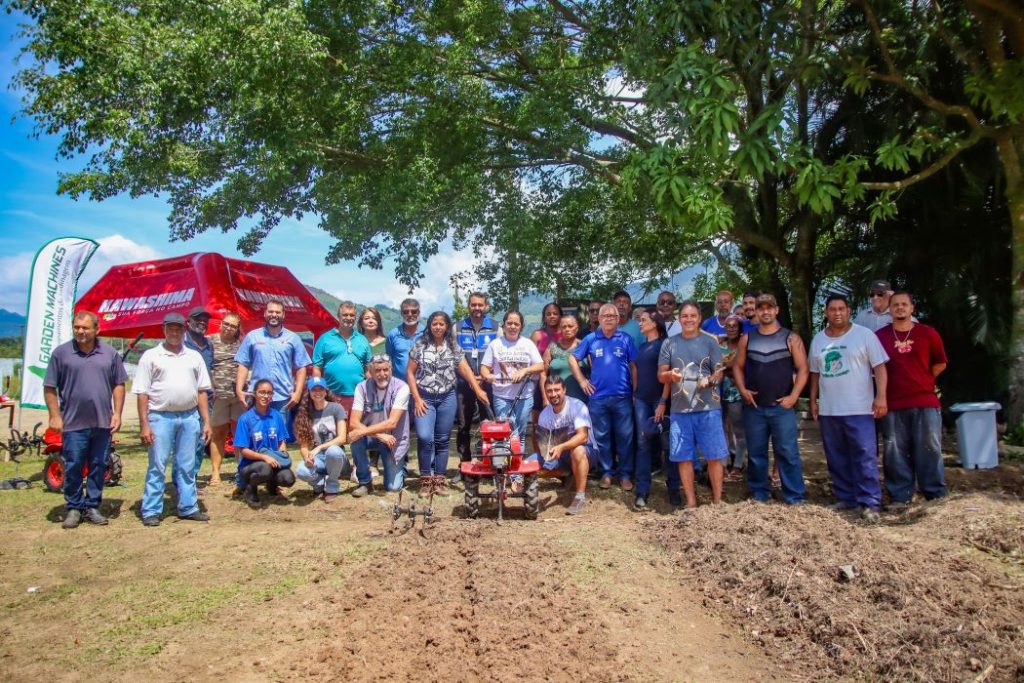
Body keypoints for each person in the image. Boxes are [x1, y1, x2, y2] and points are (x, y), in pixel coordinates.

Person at [809, 294, 889, 522]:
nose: (837, 313)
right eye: (832, 309)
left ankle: (870, 502)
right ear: (826, 313)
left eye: (841, 309)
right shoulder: (819, 340)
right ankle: (846, 498)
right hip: (830, 410)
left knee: (865, 455)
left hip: (860, 408)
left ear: (848, 310)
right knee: (836, 456)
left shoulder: (864, 335)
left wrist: (881, 397)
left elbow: (880, 368)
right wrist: (814, 400)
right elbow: (815, 374)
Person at [44, 311, 127, 528]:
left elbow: (119, 384)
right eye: (77, 327)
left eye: (85, 328)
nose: (80, 331)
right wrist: (54, 416)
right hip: (73, 423)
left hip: (102, 422)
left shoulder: (110, 354)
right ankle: (73, 507)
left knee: (98, 465)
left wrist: (117, 413)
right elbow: (50, 386)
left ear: (96, 330)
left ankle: (92, 506)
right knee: (73, 466)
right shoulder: (61, 354)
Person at [135, 312, 212, 526]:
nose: (175, 332)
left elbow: (203, 391)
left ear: (184, 330)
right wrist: (145, 425)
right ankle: (151, 510)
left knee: (187, 465)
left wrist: (206, 421)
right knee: (157, 465)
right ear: (164, 329)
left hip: (189, 416)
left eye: (178, 329)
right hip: (160, 417)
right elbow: (142, 393)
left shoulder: (194, 356)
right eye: (171, 328)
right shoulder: (151, 356)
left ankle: (188, 507)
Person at [732, 294, 809, 505]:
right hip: (754, 407)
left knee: (787, 452)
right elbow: (737, 367)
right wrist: (742, 389)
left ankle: (795, 496)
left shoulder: (791, 338)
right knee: (756, 454)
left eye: (769, 308)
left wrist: (794, 397)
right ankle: (760, 494)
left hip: (781, 407)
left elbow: (803, 369)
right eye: (761, 308)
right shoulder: (747, 338)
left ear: (776, 310)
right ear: (755, 311)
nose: (765, 311)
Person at [876, 291, 948, 509]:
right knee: (894, 451)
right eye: (895, 305)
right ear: (889, 309)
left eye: (904, 304)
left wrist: (922, 380)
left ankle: (935, 496)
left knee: (929, 448)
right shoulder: (880, 337)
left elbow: (940, 363)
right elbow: (876, 368)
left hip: (925, 402)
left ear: (912, 308)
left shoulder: (928, 333)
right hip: (893, 403)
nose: (899, 308)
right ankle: (900, 497)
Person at [407, 311, 490, 496]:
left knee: (443, 440)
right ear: (429, 325)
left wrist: (477, 390)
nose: (438, 327)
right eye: (434, 323)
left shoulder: (453, 346)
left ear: (446, 326)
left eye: (441, 324)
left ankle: (439, 480)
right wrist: (417, 398)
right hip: (425, 398)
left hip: (447, 397)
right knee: (424, 436)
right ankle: (425, 480)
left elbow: (465, 370)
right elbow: (410, 373)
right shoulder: (420, 345)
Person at [658, 301, 728, 508]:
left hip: (709, 409)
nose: (688, 320)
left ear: (699, 318)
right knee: (683, 458)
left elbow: (720, 372)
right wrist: (670, 374)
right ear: (680, 319)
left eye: (693, 316)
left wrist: (711, 380)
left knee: (714, 456)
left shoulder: (710, 341)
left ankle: (717, 501)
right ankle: (690, 502)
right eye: (685, 316)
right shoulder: (669, 344)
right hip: (680, 410)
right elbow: (661, 375)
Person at [570, 303, 637, 490]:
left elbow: (633, 366)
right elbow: (572, 358)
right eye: (604, 315)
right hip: (598, 398)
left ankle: (624, 475)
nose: (608, 318)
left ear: (618, 319)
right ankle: (606, 473)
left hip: (623, 396)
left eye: (612, 316)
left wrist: (635, 391)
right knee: (602, 438)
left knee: (625, 437)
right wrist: (582, 380)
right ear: (598, 319)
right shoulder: (591, 339)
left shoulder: (626, 339)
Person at [533, 376, 602, 515]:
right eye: (549, 391)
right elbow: (542, 446)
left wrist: (561, 447)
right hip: (559, 456)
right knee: (530, 461)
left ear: (564, 390)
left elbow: (583, 437)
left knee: (577, 451)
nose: (553, 394)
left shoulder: (577, 406)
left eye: (557, 390)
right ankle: (523, 495)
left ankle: (579, 497)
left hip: (587, 452)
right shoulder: (544, 415)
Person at [633, 308, 678, 509]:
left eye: (643, 320)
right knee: (642, 443)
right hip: (641, 400)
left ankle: (674, 488)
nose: (640, 323)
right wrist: (635, 395)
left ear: (655, 323)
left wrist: (662, 401)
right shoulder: (642, 347)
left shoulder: (665, 345)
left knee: (667, 445)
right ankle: (642, 490)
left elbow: (668, 376)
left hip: (660, 400)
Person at [235, 300, 310, 418]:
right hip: (256, 397)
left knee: (280, 435)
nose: (274, 315)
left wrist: (298, 393)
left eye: (277, 312)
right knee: (256, 435)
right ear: (265, 313)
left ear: (283, 315)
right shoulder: (252, 336)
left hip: (283, 398)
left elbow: (301, 367)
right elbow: (243, 364)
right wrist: (239, 390)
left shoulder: (293, 338)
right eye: (271, 311)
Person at [348, 354, 411, 495]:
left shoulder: (402, 388)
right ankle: (365, 482)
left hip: (393, 439)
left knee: (393, 488)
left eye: (385, 370)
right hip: (374, 437)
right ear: (370, 372)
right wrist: (378, 435)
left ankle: (401, 467)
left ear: (391, 370)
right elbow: (353, 422)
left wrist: (370, 432)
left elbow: (392, 422)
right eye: (377, 370)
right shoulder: (361, 387)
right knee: (355, 439)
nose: (382, 374)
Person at [481, 311, 544, 441]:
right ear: (504, 326)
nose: (513, 326)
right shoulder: (495, 344)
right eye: (509, 323)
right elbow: (484, 368)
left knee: (519, 434)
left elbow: (540, 365)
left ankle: (517, 461)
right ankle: (506, 460)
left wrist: (524, 371)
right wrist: (488, 375)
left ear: (521, 326)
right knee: (507, 433)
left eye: (516, 324)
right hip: (501, 396)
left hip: (524, 396)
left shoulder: (527, 344)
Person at [233, 378, 296, 507]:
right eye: (262, 392)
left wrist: (282, 454)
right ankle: (250, 489)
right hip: (250, 465)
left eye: (269, 393)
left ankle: (272, 486)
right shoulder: (245, 419)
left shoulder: (276, 415)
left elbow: (281, 441)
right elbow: (243, 451)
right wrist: (264, 457)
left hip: (272, 461)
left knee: (288, 479)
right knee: (265, 469)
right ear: (255, 394)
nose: (266, 396)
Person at [455, 292, 499, 473]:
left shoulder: (496, 327)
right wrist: (472, 379)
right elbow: (455, 357)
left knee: (488, 424)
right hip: (464, 384)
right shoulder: (457, 327)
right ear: (468, 307)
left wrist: (485, 375)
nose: (477, 308)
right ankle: (464, 465)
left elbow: (499, 355)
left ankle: (487, 463)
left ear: (486, 306)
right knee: (463, 425)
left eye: (480, 305)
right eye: (473, 305)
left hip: (487, 384)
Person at [292, 377, 350, 502]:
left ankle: (332, 486)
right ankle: (318, 483)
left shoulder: (336, 408)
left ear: (325, 391)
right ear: (309, 392)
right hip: (318, 459)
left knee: (333, 450)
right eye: (314, 389)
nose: (317, 392)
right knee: (301, 470)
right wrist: (307, 456)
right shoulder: (305, 413)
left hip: (336, 457)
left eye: (321, 389)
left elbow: (342, 438)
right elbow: (303, 446)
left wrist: (319, 447)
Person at [313, 301, 372, 415]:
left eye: (352, 315)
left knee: (354, 430)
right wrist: (318, 390)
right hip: (331, 395)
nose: (348, 318)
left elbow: (368, 369)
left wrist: (372, 390)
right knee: (332, 430)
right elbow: (317, 368)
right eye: (345, 315)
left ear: (355, 317)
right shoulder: (325, 339)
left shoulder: (362, 340)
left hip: (358, 395)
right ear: (338, 316)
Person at [208, 311, 244, 486]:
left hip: (238, 397)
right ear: (220, 323)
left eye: (233, 325)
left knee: (240, 434)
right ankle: (215, 473)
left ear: (237, 329)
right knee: (218, 434)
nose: (229, 328)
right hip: (218, 397)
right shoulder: (209, 341)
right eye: (226, 324)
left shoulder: (241, 344)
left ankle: (241, 470)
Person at [182, 306, 214, 479]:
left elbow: (211, 370)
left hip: (206, 400)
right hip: (186, 400)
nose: (202, 322)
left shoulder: (209, 345)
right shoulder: (180, 343)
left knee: (201, 441)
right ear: (188, 322)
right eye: (198, 319)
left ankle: (191, 479)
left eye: (205, 320)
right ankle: (182, 479)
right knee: (184, 442)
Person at [530, 303, 562, 452]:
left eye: (555, 313)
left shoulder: (565, 333)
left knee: (559, 423)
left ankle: (557, 457)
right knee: (538, 423)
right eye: (548, 314)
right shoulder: (537, 335)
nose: (552, 316)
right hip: (539, 384)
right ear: (544, 317)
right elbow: (528, 358)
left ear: (560, 315)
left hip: (560, 384)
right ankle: (538, 456)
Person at [720, 315, 748, 480]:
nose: (731, 328)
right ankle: (723, 464)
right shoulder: (720, 345)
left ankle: (738, 464)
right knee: (721, 428)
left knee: (739, 430)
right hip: (718, 392)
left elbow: (740, 366)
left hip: (736, 392)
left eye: (734, 326)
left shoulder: (743, 345)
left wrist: (727, 367)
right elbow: (715, 364)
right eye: (728, 326)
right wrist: (729, 367)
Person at [541, 315, 588, 403]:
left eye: (570, 326)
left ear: (577, 328)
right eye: (564, 327)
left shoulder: (585, 347)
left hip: (582, 401)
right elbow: (543, 374)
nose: (567, 329)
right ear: (560, 329)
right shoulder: (552, 348)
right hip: (556, 401)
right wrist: (545, 398)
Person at [385, 297, 423, 382]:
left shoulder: (426, 333)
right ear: (401, 313)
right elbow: (389, 360)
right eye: (406, 312)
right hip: (399, 385)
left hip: (423, 386)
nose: (410, 314)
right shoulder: (393, 334)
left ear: (419, 313)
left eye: (414, 311)